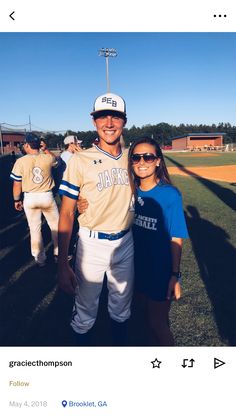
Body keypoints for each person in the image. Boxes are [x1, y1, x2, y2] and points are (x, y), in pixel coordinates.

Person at [58, 92, 134, 345]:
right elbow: (67, 212)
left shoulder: (134, 158)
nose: (109, 123)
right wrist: (62, 264)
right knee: (85, 312)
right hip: (91, 243)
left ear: (124, 121)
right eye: (103, 117)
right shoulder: (80, 160)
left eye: (116, 117)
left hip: (126, 241)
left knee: (121, 309)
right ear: (94, 121)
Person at [128, 137, 189, 345]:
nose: (142, 162)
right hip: (133, 268)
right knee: (142, 319)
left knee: (157, 323)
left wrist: (174, 275)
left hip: (159, 271)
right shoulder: (129, 191)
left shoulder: (170, 195)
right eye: (136, 157)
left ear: (157, 161)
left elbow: (176, 238)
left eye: (148, 157)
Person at [10, 133, 59, 267]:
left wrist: (16, 200)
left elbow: (16, 184)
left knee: (34, 229)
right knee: (55, 227)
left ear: (27, 145)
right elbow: (57, 161)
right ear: (39, 145)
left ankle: (40, 259)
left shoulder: (20, 161)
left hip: (30, 197)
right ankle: (58, 254)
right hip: (46, 196)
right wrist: (45, 148)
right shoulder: (47, 158)